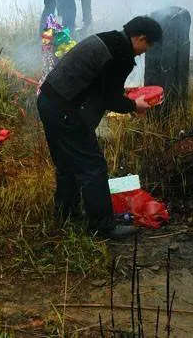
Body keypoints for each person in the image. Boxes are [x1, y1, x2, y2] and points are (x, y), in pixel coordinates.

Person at [36, 15, 163, 239]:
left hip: (48, 101)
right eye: (148, 46)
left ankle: (67, 213)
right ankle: (103, 226)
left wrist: (126, 97)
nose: (146, 51)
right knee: (93, 166)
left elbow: (101, 85)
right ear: (141, 38)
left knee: (67, 163)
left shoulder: (107, 40)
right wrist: (135, 105)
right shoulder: (120, 55)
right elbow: (110, 98)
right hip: (66, 110)